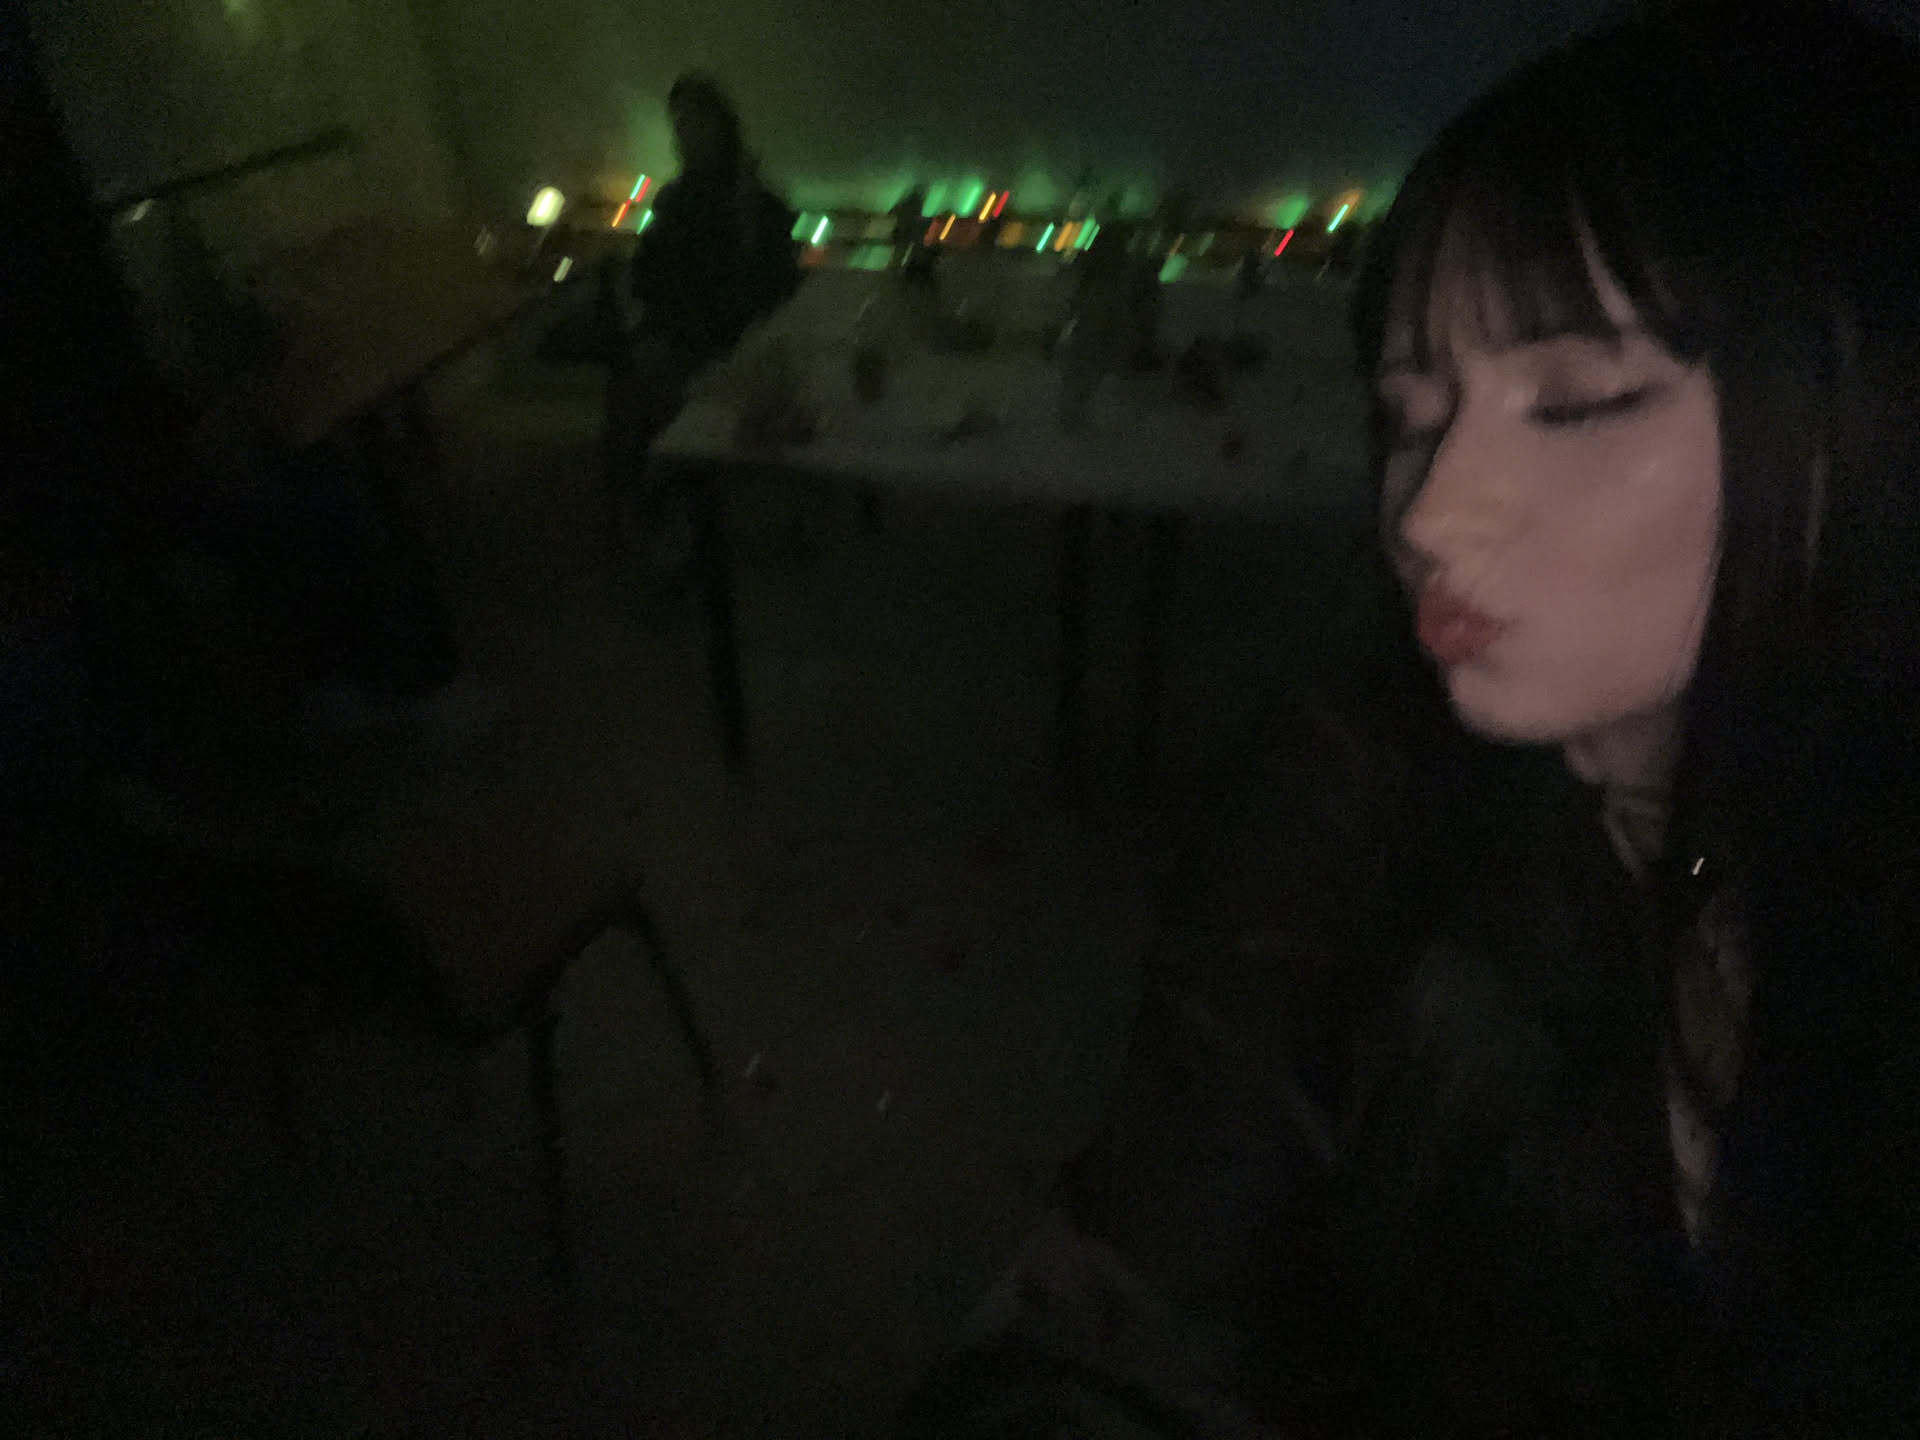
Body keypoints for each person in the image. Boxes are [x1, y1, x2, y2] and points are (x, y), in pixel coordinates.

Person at [898, 2, 1920, 1435]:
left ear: (1857, 410)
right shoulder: (1352, 796)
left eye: (1574, 404)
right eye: (1414, 412)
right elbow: (1118, 1324)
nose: (1430, 514)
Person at [607, 73, 801, 569]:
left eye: (697, 120)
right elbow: (648, 275)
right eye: (681, 122)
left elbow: (772, 288)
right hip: (679, 332)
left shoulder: (757, 203)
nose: (687, 132)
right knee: (634, 392)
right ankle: (655, 518)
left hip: (730, 338)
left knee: (657, 391)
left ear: (721, 123)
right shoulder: (676, 201)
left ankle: (672, 520)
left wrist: (746, 228)